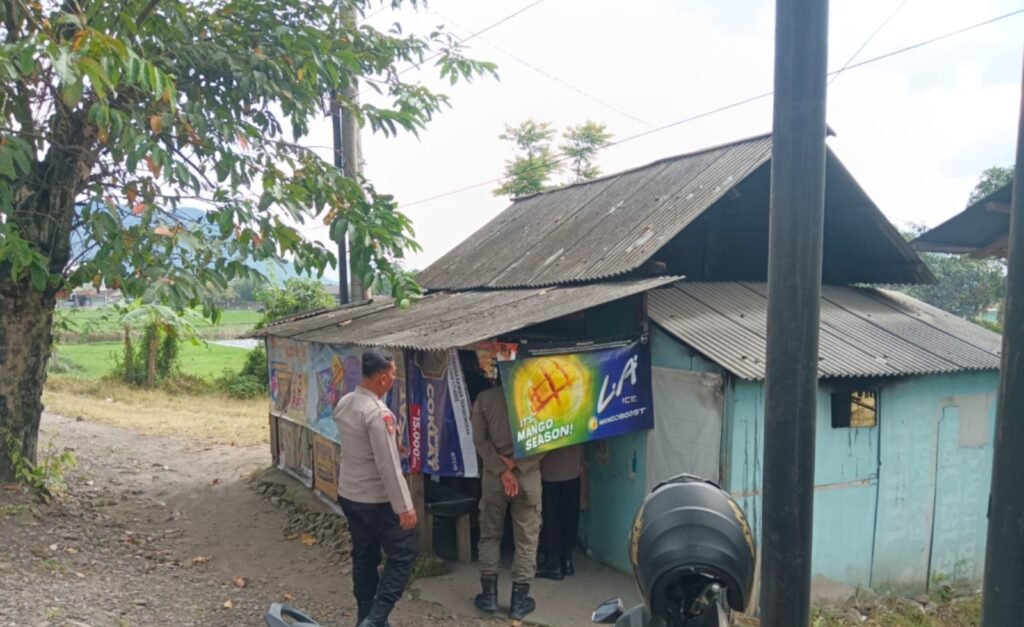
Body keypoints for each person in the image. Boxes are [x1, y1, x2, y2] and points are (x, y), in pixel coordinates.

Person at [334, 349, 418, 627]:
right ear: (382, 378)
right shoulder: (378, 413)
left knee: (364, 554)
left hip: (350, 494)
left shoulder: (347, 402)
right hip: (376, 500)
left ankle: (365, 617)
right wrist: (404, 507)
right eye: (393, 374)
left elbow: (360, 445)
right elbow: (388, 467)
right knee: (404, 553)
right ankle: (376, 618)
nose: (394, 379)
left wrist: (392, 443)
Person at [470, 382, 544, 621]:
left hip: (494, 478)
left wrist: (502, 470)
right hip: (528, 478)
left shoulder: (485, 398)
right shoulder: (540, 397)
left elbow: (479, 440)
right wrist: (516, 464)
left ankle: (489, 597)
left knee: (490, 534)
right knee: (526, 540)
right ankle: (519, 603)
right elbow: (550, 437)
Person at [536, 444, 584, 580]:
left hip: (549, 465)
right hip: (572, 462)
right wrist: (581, 460)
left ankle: (553, 562)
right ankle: (567, 560)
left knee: (550, 516)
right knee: (569, 513)